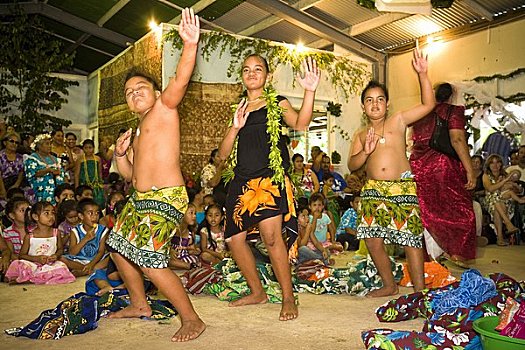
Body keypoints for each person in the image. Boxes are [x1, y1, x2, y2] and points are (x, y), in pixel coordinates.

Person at [104, 8, 205, 342]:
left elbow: (180, 80)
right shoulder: (136, 130)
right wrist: (120, 155)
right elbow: (131, 175)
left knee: (149, 259)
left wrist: (189, 46)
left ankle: (191, 318)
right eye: (129, 92)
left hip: (164, 197)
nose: (134, 94)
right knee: (117, 245)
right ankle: (140, 304)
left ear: (156, 91)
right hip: (140, 198)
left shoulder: (164, 107)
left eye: (141, 88)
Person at [217, 54, 320, 321]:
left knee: (272, 238)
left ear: (268, 75)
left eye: (258, 69)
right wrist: (235, 127)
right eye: (246, 69)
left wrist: (309, 91)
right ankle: (257, 292)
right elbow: (222, 154)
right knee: (234, 239)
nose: (251, 73)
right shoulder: (238, 108)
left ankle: (288, 297)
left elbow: (300, 123)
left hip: (268, 178)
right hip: (241, 182)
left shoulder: (276, 103)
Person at [347, 48, 434, 297]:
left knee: (410, 239)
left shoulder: (398, 121)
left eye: (380, 99)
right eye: (369, 100)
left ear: (387, 103)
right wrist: (366, 151)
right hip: (374, 189)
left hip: (402, 186)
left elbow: (429, 104)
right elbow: (353, 166)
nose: (375, 104)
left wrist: (423, 74)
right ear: (363, 107)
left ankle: (419, 291)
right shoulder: (360, 135)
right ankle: (389, 284)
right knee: (373, 241)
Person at [409, 82, 476, 266]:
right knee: (461, 209)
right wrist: (470, 170)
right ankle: (456, 252)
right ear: (450, 95)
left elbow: (411, 140)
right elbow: (457, 139)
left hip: (418, 167)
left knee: (427, 210)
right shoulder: (452, 111)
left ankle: (430, 255)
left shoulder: (420, 112)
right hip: (443, 167)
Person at [5, 201, 75, 284]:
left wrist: (56, 255)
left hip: (50, 264)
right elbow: (21, 255)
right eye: (46, 213)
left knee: (61, 266)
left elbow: (60, 249)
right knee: (18, 264)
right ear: (35, 217)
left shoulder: (56, 233)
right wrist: (36, 259)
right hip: (33, 264)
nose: (51, 216)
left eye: (53, 213)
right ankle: (33, 277)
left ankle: (32, 278)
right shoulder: (30, 236)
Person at [60, 198, 108, 276]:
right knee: (62, 259)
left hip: (97, 260)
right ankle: (88, 270)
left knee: (111, 257)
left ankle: (86, 270)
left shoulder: (103, 230)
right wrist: (85, 239)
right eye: (90, 213)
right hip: (80, 260)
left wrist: (91, 264)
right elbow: (72, 253)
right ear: (81, 216)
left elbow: (101, 251)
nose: (94, 217)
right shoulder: (75, 231)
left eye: (97, 213)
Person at [483, 154, 519, 246]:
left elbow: (514, 188)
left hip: (506, 202)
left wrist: (513, 185)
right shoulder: (486, 176)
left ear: (501, 164)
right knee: (495, 199)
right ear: (488, 165)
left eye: (497, 162)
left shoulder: (505, 175)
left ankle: (500, 237)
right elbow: (490, 189)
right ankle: (508, 224)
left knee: (497, 203)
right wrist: (504, 181)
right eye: (492, 163)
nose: (495, 165)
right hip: (490, 203)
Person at [23, 134, 66, 204]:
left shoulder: (55, 159)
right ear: (39, 146)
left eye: (50, 144)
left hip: (59, 193)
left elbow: (63, 174)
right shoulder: (32, 158)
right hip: (42, 192)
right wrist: (48, 170)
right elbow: (32, 174)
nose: (50, 146)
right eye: (47, 144)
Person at [169, 203, 201, 270]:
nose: (194, 216)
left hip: (184, 257)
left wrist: (194, 250)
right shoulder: (173, 230)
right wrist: (170, 250)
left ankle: (185, 265)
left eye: (195, 213)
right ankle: (189, 266)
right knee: (167, 259)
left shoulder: (190, 234)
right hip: (172, 257)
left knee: (194, 259)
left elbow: (193, 249)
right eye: (191, 213)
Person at [75, 139, 105, 207]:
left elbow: (100, 172)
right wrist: (77, 188)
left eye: (90, 148)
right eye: (86, 148)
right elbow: (77, 174)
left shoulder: (98, 159)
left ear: (93, 148)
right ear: (83, 149)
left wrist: (101, 183)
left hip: (96, 185)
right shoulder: (80, 159)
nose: (88, 150)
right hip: (84, 184)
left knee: (98, 203)